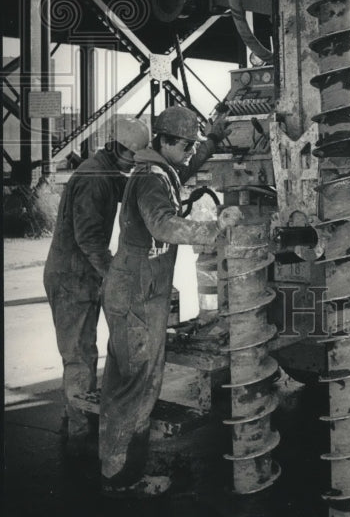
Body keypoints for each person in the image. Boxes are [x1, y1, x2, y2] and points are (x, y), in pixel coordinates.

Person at [99, 105, 242, 498]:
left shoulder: (156, 169)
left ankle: (116, 469)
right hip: (137, 298)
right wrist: (215, 228)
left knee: (126, 382)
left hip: (137, 292)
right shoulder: (151, 180)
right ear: (166, 142)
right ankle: (124, 479)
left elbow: (186, 167)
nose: (189, 152)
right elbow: (163, 223)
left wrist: (212, 140)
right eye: (187, 145)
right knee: (136, 387)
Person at [43, 117, 150, 457]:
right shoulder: (93, 178)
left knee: (85, 354)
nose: (134, 162)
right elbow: (88, 239)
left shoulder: (107, 171)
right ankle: (78, 435)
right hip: (70, 277)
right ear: (115, 147)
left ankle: (74, 415)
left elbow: (131, 192)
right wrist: (113, 274)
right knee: (79, 356)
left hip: (82, 274)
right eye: (131, 155)